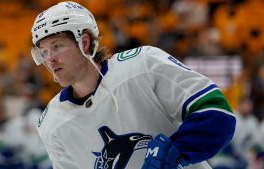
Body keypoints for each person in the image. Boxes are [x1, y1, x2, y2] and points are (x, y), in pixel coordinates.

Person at [30, 1, 236, 169]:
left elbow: (217, 111)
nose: (50, 59)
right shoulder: (52, 124)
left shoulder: (142, 65)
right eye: (44, 52)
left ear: (84, 42)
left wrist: (176, 151)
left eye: (56, 46)